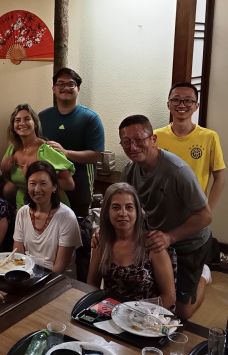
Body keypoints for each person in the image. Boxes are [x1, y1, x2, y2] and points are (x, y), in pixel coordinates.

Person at [119, 114, 212, 319]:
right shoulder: (129, 171)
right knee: (158, 303)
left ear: (153, 139)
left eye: (139, 140)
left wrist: (170, 237)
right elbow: (123, 207)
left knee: (182, 313)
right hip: (159, 242)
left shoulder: (178, 171)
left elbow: (205, 216)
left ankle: (203, 275)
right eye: (126, 142)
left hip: (190, 242)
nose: (132, 147)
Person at [87, 182, 176, 310]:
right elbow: (92, 285)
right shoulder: (101, 242)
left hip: (146, 317)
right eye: (116, 207)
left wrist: (130, 313)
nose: (123, 213)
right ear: (107, 212)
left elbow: (169, 297)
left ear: (138, 212)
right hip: (109, 313)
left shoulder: (152, 245)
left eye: (129, 207)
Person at [39, 67, 104, 218]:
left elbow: (95, 155)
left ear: (78, 88)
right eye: (60, 84)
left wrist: (66, 153)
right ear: (54, 89)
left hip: (80, 185)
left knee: (78, 226)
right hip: (49, 185)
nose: (65, 88)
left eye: (71, 84)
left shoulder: (90, 118)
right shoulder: (42, 116)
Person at [155, 82, 225, 210]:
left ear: (196, 106)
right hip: (161, 209)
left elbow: (220, 176)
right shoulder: (155, 136)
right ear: (168, 104)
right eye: (176, 100)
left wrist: (208, 210)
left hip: (195, 211)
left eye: (188, 101)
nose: (181, 105)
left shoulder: (209, 137)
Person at [1, 104, 75, 211]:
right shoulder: (12, 149)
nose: (22, 123)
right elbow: (10, 184)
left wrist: (36, 179)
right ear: (13, 126)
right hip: (24, 208)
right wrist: (5, 171)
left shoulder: (47, 149)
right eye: (17, 120)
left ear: (35, 123)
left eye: (27, 119)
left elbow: (69, 184)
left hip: (52, 209)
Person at [13, 161, 81, 274]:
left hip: (59, 280)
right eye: (32, 183)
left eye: (43, 183)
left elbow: (59, 268)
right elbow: (18, 256)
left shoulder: (67, 217)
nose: (37, 189)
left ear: (54, 187)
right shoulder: (22, 213)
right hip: (27, 275)